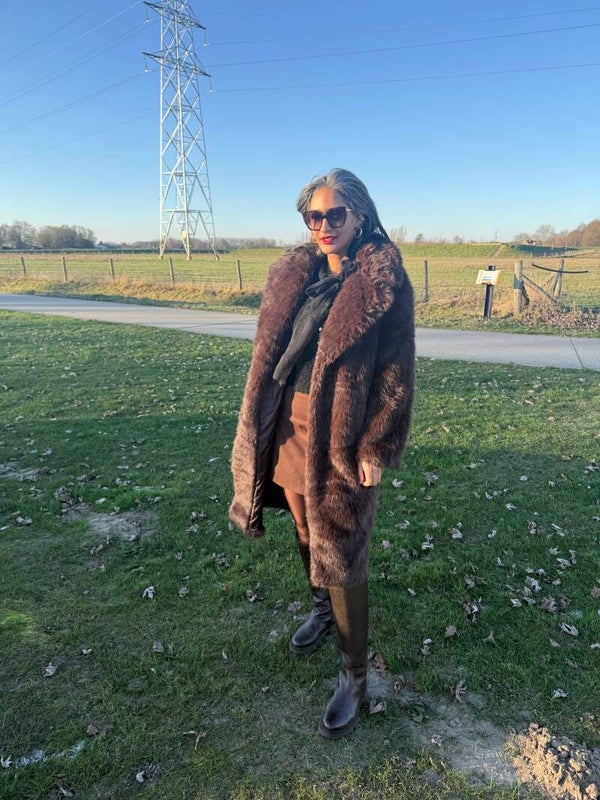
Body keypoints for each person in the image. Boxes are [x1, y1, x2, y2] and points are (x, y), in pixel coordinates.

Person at [229, 168, 415, 739]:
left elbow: (395, 372)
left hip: (340, 431)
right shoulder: (297, 274)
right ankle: (320, 610)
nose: (325, 225)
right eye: (315, 215)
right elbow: (274, 353)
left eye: (336, 214)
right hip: (286, 419)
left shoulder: (383, 280)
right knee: (306, 528)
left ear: (360, 215)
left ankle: (354, 675)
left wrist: (377, 443)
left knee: (343, 545)